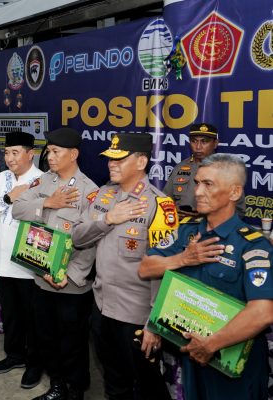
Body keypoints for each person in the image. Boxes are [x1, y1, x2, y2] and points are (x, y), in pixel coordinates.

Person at [139, 153, 273, 400]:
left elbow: (263, 312)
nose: (197, 192)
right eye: (197, 183)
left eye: (208, 184)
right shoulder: (186, 233)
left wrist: (211, 344)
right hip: (191, 355)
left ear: (234, 193)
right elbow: (146, 268)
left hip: (231, 361)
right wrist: (182, 259)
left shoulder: (252, 245)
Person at [72, 132, 174, 400]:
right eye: (110, 159)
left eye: (119, 159)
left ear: (141, 162)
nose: (111, 164)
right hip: (102, 307)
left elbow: (165, 270)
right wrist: (108, 220)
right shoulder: (105, 194)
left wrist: (155, 324)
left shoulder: (158, 205)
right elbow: (77, 236)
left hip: (136, 316)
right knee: (114, 381)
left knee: (148, 386)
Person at [13, 128, 98, 400]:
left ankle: (75, 391)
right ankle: (57, 386)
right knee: (46, 338)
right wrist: (47, 202)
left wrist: (68, 274)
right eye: (49, 151)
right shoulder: (43, 182)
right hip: (42, 277)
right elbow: (18, 209)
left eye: (55, 152)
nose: (49, 156)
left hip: (69, 284)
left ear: (73, 154)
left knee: (71, 342)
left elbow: (91, 241)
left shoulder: (89, 191)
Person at [0, 130, 45, 389]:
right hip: (4, 261)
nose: (10, 158)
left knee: (33, 317)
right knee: (10, 314)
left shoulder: (42, 181)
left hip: (29, 263)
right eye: (7, 153)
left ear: (31, 154)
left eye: (15, 152)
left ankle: (34, 363)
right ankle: (15, 355)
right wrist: (8, 198)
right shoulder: (1, 178)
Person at [163, 123, 245, 217]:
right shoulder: (180, 167)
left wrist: (208, 214)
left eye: (204, 141)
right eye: (194, 141)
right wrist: (172, 209)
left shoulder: (228, 171)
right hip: (180, 227)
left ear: (215, 143)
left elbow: (239, 210)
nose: (198, 147)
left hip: (211, 229)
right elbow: (165, 199)